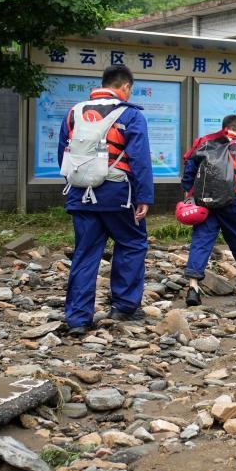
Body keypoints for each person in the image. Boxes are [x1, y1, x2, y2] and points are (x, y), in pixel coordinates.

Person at [58, 65, 154, 336]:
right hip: (117, 195)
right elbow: (140, 159)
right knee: (132, 243)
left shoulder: (74, 113)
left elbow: (63, 153)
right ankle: (124, 306)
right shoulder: (130, 114)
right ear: (125, 87)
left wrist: (77, 183)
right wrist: (144, 196)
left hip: (80, 194)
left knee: (85, 253)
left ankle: (77, 318)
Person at [181, 114, 236, 306]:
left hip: (205, 201)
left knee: (201, 240)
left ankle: (193, 287)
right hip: (232, 201)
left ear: (223, 127)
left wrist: (187, 192)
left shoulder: (206, 145)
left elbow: (190, 170)